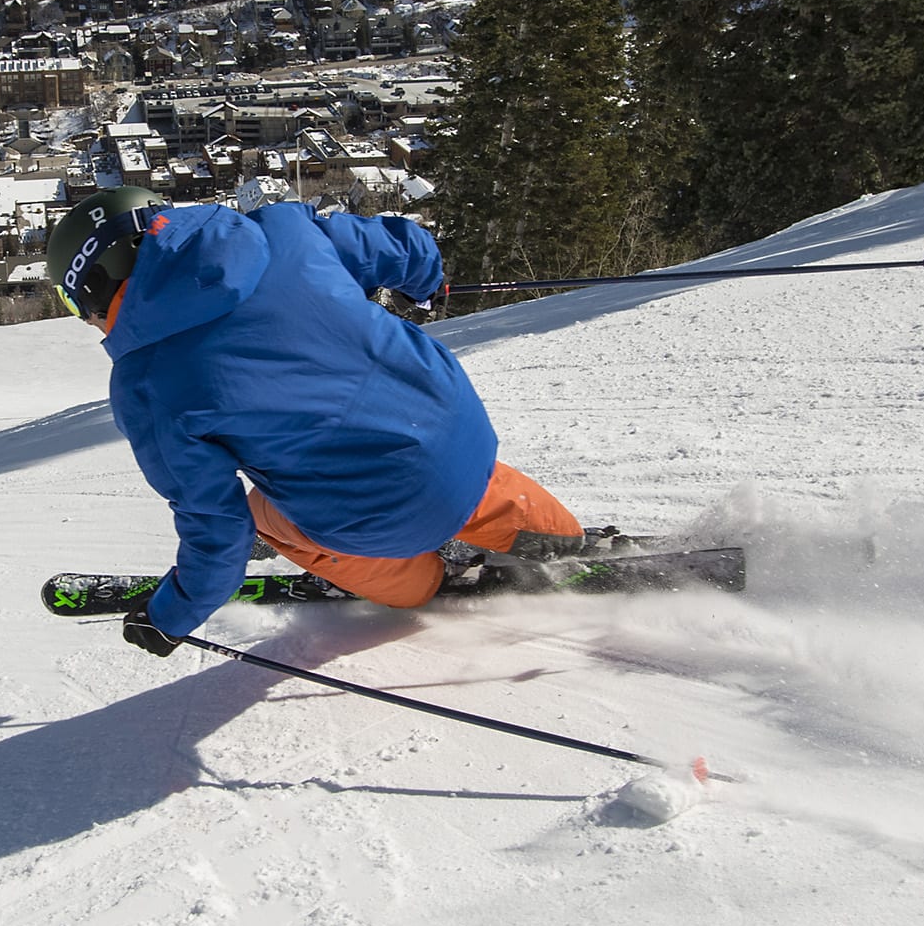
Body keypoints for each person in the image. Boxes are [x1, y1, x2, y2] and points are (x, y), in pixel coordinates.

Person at [46, 185, 590, 657]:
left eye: (76, 306)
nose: (87, 321)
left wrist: (170, 618)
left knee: (263, 516)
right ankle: (561, 538)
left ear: (96, 284)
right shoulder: (282, 229)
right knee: (430, 454)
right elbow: (407, 245)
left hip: (381, 517)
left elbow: (218, 530)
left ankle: (430, 575)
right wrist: (423, 285)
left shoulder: (144, 385)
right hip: (460, 429)